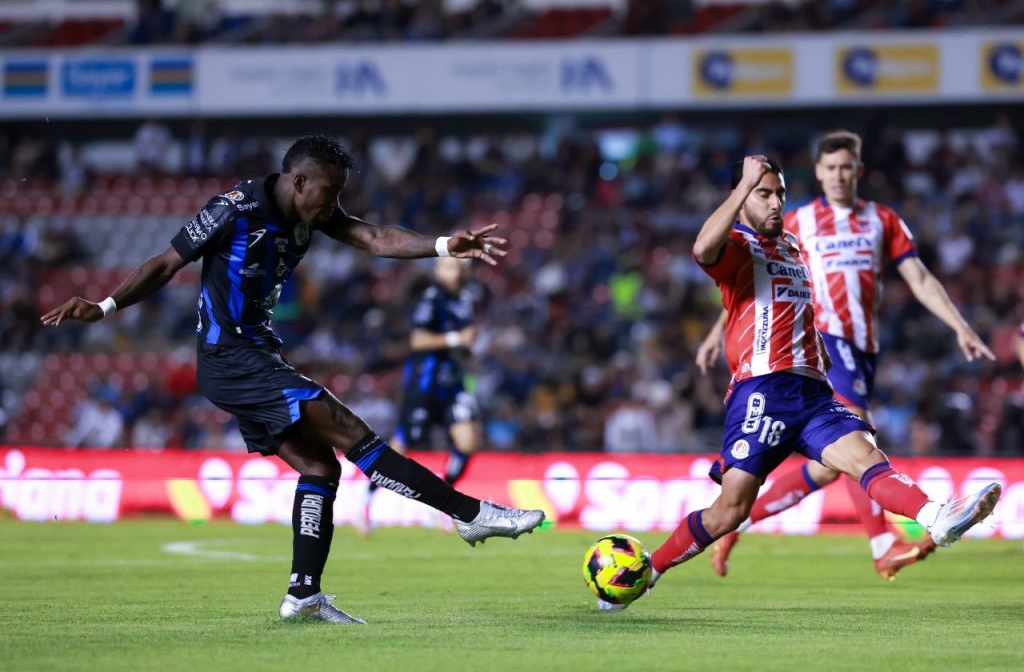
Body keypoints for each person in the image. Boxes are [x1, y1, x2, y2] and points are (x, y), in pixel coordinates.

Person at [41, 134, 545, 625]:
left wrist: (441, 246)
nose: (335, 204)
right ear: (300, 182)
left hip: (256, 356)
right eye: (330, 193)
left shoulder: (313, 213)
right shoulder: (233, 208)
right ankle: (468, 513)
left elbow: (374, 236)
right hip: (228, 357)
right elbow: (167, 262)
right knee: (349, 429)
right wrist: (105, 306)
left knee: (321, 469)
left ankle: (303, 595)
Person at [599, 155, 1001, 611]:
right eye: (763, 194)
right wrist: (741, 187)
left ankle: (937, 518)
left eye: (779, 194)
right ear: (744, 197)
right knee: (729, 511)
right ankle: (649, 571)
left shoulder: (791, 247)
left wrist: (819, 352)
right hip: (764, 391)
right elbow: (701, 250)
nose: (775, 203)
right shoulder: (738, 246)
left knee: (865, 456)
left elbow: (796, 310)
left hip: (812, 391)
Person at [698, 131, 995, 580]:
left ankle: (737, 522)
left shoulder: (882, 221)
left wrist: (959, 324)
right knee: (856, 444)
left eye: (845, 167)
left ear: (858, 170)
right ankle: (884, 544)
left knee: (825, 470)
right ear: (818, 172)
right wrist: (716, 332)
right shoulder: (793, 220)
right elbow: (752, 280)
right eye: (830, 168)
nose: (838, 175)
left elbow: (918, 277)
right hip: (821, 344)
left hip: (863, 347)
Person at [362, 258, 483, 530]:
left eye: (460, 267)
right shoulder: (433, 298)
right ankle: (366, 499)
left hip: (453, 381)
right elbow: (417, 340)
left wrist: (466, 351)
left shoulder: (464, 299)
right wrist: (457, 340)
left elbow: (462, 340)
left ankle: (444, 502)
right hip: (425, 382)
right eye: (451, 267)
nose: (457, 271)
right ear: (438, 271)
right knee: (404, 444)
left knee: (467, 441)